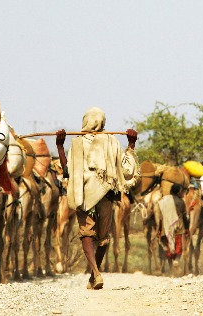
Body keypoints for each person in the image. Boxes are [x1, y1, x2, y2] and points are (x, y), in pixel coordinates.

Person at [55, 107, 140, 290]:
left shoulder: (77, 143)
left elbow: (67, 170)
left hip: (83, 194)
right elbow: (126, 170)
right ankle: (95, 275)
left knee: (86, 233)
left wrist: (60, 146)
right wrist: (131, 145)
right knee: (103, 238)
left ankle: (96, 273)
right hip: (107, 195)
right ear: (103, 123)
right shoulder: (112, 141)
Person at [154, 183, 190, 275]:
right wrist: (187, 228)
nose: (182, 193)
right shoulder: (181, 202)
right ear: (178, 191)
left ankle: (171, 273)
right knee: (178, 248)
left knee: (169, 250)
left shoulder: (163, 200)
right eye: (181, 191)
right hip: (178, 227)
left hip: (165, 228)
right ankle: (177, 260)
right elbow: (185, 217)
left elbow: (159, 216)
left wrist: (158, 229)